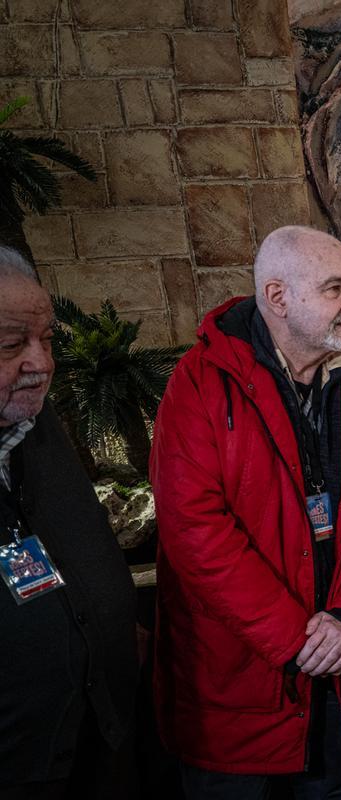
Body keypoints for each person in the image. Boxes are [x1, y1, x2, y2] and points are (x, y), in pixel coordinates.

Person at [150, 227, 341, 798]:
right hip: (238, 695)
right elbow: (194, 531)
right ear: (278, 298)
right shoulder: (200, 385)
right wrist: (297, 640)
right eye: (335, 289)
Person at [0, 247, 138, 800]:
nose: (43, 363)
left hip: (96, 740)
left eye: (49, 340)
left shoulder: (32, 421)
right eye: (13, 345)